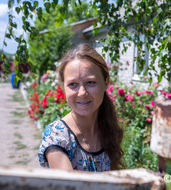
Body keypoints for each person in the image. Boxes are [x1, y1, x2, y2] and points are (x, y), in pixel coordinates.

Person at [38, 43, 125, 172]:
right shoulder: (57, 137)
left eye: (91, 82)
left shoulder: (109, 128)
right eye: (73, 84)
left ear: (106, 83)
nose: (82, 92)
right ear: (63, 87)